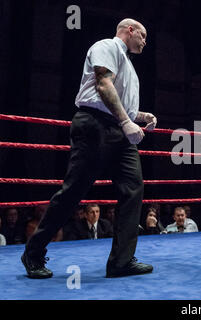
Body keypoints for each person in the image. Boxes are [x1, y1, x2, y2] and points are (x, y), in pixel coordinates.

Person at [21, 18, 156, 279]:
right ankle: (33, 252)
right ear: (130, 30)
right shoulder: (107, 46)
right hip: (95, 126)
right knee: (74, 191)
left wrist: (139, 116)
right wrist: (127, 120)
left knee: (133, 189)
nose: (145, 41)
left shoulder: (128, 64)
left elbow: (119, 103)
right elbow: (102, 85)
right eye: (143, 35)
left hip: (119, 130)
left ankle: (121, 261)